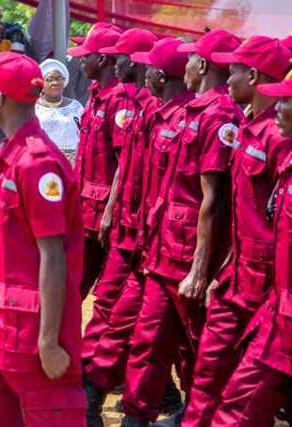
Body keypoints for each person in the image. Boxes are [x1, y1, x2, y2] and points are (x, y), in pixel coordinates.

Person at [0, 52, 86, 425]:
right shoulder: (8, 157)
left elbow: (53, 255)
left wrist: (48, 340)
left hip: (31, 335)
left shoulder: (37, 164)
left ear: (0, 100)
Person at [118, 29, 242, 426]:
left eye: (191, 58)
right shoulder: (193, 112)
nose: (186, 64)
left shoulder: (221, 116)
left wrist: (201, 270)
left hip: (190, 256)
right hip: (165, 248)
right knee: (148, 339)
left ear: (202, 66)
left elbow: (214, 199)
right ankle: (137, 417)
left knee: (203, 349)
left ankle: (197, 416)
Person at [180, 36, 290, 426]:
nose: (227, 79)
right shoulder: (245, 128)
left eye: (235, 71)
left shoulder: (279, 139)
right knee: (208, 372)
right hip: (236, 278)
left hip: (268, 290)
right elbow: (241, 216)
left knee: (252, 391)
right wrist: (220, 271)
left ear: (254, 75)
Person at [83, 37, 192, 427]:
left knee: (184, 340)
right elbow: (131, 171)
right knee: (125, 322)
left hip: (173, 249)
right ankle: (97, 400)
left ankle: (183, 407)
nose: (142, 71)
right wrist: (116, 211)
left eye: (147, 66)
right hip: (142, 239)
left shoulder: (185, 119)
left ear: (160, 74)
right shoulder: (153, 112)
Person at [211, 74, 292, 425]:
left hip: (284, 318)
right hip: (277, 306)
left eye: (286, 101)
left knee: (238, 410)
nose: (278, 107)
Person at [67, 22, 125, 298]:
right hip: (85, 207)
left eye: (85, 54)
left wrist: (110, 212)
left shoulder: (119, 101)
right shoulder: (94, 96)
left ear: (102, 59)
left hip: (103, 214)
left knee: (101, 294)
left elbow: (123, 162)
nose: (80, 59)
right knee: (70, 286)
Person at [35, 59, 84, 165]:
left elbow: (83, 135)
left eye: (59, 78)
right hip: (42, 162)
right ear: (42, 83)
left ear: (64, 81)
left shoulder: (76, 107)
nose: (55, 82)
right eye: (49, 79)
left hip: (72, 164)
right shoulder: (33, 108)